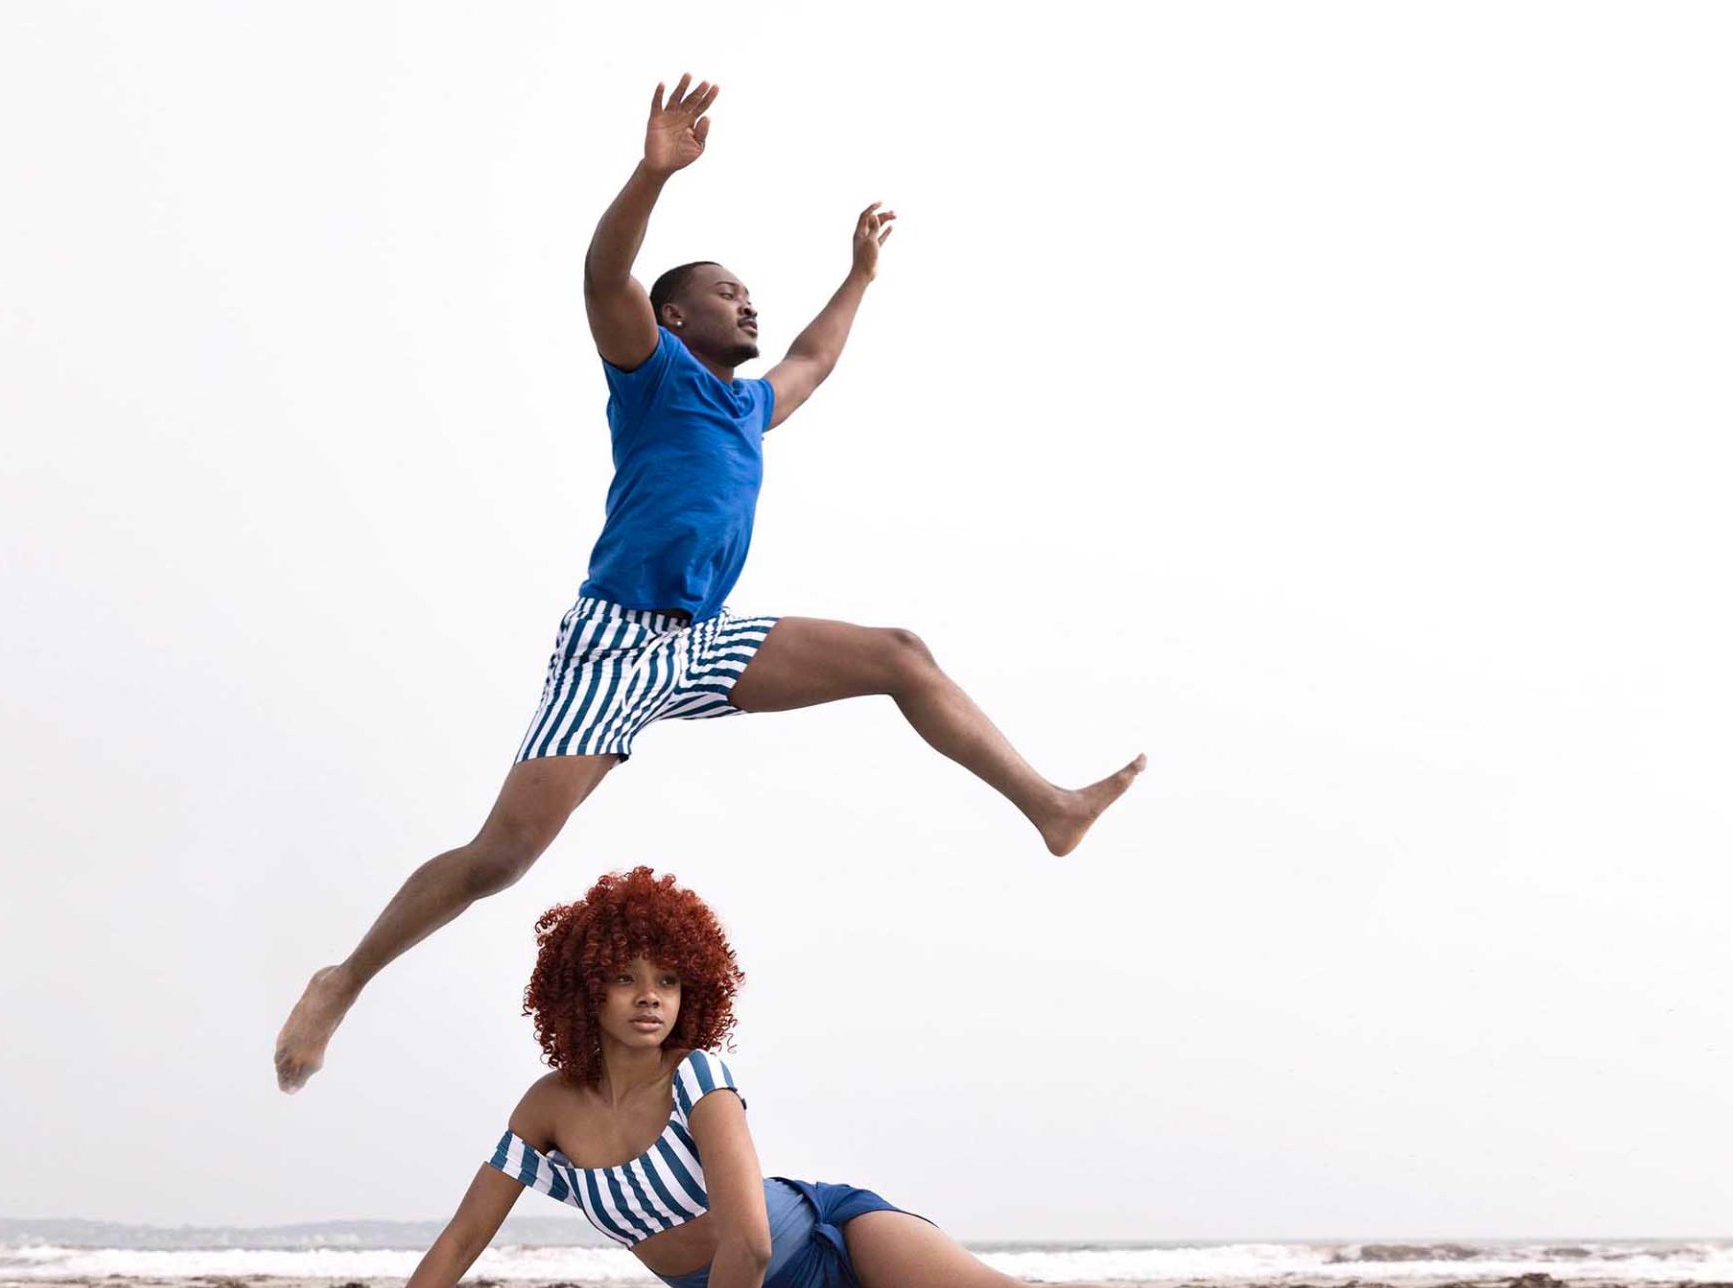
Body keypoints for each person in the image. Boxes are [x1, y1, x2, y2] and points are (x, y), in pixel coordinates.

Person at [273, 76, 1142, 1093]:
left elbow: (814, 356)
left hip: (700, 637)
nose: (749, 305)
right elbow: (603, 273)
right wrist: (652, 173)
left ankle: (1048, 805)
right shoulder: (651, 372)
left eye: (750, 294)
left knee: (901, 654)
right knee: (502, 856)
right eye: (729, 292)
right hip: (613, 642)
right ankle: (346, 976)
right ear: (675, 313)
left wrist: (856, 276)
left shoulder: (745, 410)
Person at [317, 868, 1404, 1288]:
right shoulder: (544, 1111)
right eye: (625, 977)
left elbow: (744, 1235)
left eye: (667, 978)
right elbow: (462, 1237)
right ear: (580, 989)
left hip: (823, 1228)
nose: (649, 997)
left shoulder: (705, 1077)